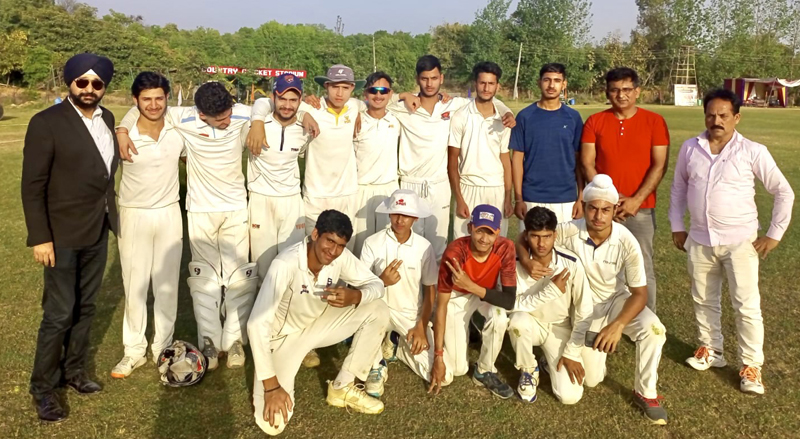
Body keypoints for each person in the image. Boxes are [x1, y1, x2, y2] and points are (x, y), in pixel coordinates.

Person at [116, 82, 258, 370]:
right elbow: (139, 109)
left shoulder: (243, 113)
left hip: (235, 207)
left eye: (229, 114)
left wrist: (257, 122)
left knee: (238, 278)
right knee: (203, 279)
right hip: (200, 209)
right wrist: (121, 130)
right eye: (220, 119)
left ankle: (233, 342)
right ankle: (208, 339)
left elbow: (274, 106)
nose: (228, 121)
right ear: (202, 115)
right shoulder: (183, 117)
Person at [669, 88, 794, 395]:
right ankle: (711, 350)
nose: (717, 121)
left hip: (741, 241)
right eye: (711, 115)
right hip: (699, 238)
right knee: (703, 299)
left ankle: (751, 366)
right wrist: (677, 226)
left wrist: (774, 233)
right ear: (705, 116)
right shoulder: (690, 148)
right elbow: (678, 190)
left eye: (724, 115)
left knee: (746, 306)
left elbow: (783, 192)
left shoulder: (753, 151)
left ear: (736, 117)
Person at [516, 174, 668, 425]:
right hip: (580, 310)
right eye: (593, 209)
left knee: (654, 330)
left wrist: (618, 325)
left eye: (605, 210)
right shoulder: (570, 230)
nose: (598, 216)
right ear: (584, 207)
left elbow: (640, 293)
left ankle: (646, 393)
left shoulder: (626, 241)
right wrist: (525, 260)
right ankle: (551, 357)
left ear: (614, 209)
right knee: (591, 379)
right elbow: (524, 236)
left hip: (615, 301)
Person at [21, 53, 118, 422]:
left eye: (97, 83)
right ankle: (43, 388)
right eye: (83, 82)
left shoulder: (108, 119)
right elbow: (33, 186)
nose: (90, 89)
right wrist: (40, 237)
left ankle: (75, 371)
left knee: (86, 307)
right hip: (60, 234)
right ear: (70, 83)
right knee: (59, 313)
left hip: (97, 229)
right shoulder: (46, 122)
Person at [247, 210, 389, 436]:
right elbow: (256, 324)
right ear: (315, 234)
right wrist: (271, 386)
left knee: (378, 309)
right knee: (273, 425)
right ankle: (272, 379)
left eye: (340, 245)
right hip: (282, 339)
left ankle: (343, 387)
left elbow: (376, 285)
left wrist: (356, 296)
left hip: (318, 325)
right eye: (329, 241)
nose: (333, 251)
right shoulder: (285, 264)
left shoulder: (340, 257)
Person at [387, 55, 516, 261]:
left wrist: (507, 111)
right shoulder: (405, 106)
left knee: (439, 246)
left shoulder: (453, 105)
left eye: (434, 78)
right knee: (408, 243)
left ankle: (439, 291)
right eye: (424, 79)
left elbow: (489, 98)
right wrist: (403, 95)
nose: (429, 84)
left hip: (440, 184)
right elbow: (373, 99)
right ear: (417, 79)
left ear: (442, 78)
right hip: (411, 183)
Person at [112, 72, 184, 379]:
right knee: (135, 284)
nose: (153, 105)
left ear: (167, 98)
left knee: (167, 285)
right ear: (135, 101)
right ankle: (134, 351)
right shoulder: (124, 134)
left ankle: (162, 348)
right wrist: (122, 129)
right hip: (133, 213)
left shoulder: (178, 125)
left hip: (169, 212)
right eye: (146, 99)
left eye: (159, 98)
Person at [580, 67, 669, 312]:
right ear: (607, 93)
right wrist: (608, 199)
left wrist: (635, 200)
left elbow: (659, 165)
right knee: (602, 265)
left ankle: (645, 321)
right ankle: (605, 316)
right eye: (615, 90)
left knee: (641, 266)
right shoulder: (595, 121)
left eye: (627, 89)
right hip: (602, 209)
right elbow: (587, 162)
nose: (621, 95)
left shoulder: (654, 121)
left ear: (637, 91)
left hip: (640, 209)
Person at [251, 65, 363, 248]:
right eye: (335, 87)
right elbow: (265, 102)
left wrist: (405, 96)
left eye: (345, 87)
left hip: (347, 193)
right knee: (314, 251)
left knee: (344, 252)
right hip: (315, 195)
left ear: (353, 88)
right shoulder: (311, 107)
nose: (340, 93)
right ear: (326, 86)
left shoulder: (355, 106)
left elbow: (381, 102)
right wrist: (257, 122)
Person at [428, 205, 516, 399]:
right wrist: (438, 356)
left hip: (484, 294)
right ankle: (433, 330)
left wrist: (471, 285)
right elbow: (441, 305)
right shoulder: (454, 253)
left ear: (498, 233)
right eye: (479, 231)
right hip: (456, 297)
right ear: (470, 228)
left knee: (499, 317)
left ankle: (484, 370)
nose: (484, 239)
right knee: (458, 369)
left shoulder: (505, 247)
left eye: (490, 233)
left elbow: (509, 301)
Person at [506, 207, 593, 404]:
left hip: (560, 327)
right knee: (517, 321)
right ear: (526, 236)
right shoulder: (514, 262)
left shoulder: (571, 263)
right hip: (530, 323)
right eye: (535, 236)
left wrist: (571, 352)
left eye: (546, 236)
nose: (541, 243)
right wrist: (549, 293)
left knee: (570, 397)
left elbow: (584, 309)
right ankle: (528, 369)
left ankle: (547, 361)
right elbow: (508, 306)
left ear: (555, 235)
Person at [359, 189, 439, 397]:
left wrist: (421, 326)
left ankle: (398, 345)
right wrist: (381, 282)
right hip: (378, 311)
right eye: (395, 213)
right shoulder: (372, 243)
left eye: (405, 215)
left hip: (410, 314)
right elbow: (360, 287)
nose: (400, 220)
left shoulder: (424, 247)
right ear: (389, 214)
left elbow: (430, 288)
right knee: (367, 315)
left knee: (441, 376)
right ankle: (377, 365)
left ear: (414, 217)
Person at [247, 73, 311, 284]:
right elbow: (260, 103)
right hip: (261, 200)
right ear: (273, 97)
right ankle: (259, 315)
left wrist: (306, 114)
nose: (287, 105)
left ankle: (286, 315)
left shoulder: (305, 130)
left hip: (292, 201)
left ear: (300, 101)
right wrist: (257, 122)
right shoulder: (255, 124)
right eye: (282, 98)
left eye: (293, 100)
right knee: (262, 266)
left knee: (291, 263)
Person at [511, 63, 584, 230]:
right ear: (539, 82)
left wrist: (580, 197)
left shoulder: (573, 117)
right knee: (531, 250)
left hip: (566, 199)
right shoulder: (525, 116)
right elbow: (517, 159)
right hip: (531, 197)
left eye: (557, 80)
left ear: (564, 84)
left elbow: (579, 160)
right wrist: (519, 199)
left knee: (564, 251)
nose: (551, 85)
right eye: (547, 80)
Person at [448, 61, 513, 238]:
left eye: (491, 83)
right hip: (469, 188)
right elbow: (452, 161)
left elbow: (506, 162)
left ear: (497, 86)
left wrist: (508, 197)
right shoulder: (461, 116)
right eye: (482, 83)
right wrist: (459, 199)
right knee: (464, 243)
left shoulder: (503, 120)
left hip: (496, 189)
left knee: (496, 244)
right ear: (475, 84)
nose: (486, 88)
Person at [351, 71, 401, 257]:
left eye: (383, 91)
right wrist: (357, 110)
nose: (378, 95)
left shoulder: (396, 119)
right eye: (373, 90)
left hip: (387, 190)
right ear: (365, 94)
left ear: (390, 94)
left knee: (385, 245)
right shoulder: (357, 119)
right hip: (360, 189)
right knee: (358, 246)